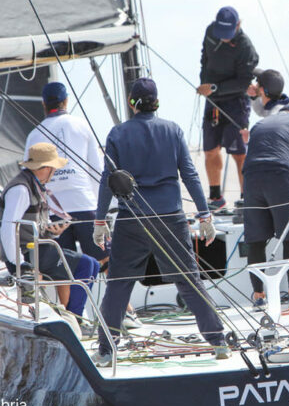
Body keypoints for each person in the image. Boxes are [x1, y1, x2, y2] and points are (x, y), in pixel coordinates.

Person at [91, 77, 229, 367]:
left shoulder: (117, 134)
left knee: (119, 285)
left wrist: (100, 220)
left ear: (132, 103)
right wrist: (204, 214)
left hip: (132, 219)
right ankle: (218, 342)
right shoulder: (173, 130)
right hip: (171, 219)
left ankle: (106, 350)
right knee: (189, 280)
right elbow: (189, 174)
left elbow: (107, 180)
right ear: (157, 102)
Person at [24, 82, 141, 329]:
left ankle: (73, 319)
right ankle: (126, 312)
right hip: (84, 203)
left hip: (53, 209)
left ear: (44, 104)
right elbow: (97, 169)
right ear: (66, 101)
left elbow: (30, 176)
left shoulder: (33, 134)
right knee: (106, 258)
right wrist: (103, 208)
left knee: (63, 265)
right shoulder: (80, 124)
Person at [242, 69, 289, 306]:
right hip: (280, 175)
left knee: (255, 240)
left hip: (251, 177)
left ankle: (259, 296)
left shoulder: (259, 124)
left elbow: (252, 153)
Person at [0, 143, 98, 317]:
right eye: (53, 167)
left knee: (93, 264)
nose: (55, 171)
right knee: (86, 265)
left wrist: (53, 232)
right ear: (45, 168)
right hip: (26, 254)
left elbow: (26, 224)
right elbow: (8, 227)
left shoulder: (33, 184)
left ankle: (72, 317)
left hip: (35, 248)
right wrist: (19, 265)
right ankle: (75, 318)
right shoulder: (21, 189)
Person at [197, 6, 259, 211]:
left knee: (239, 152)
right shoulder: (210, 31)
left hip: (236, 101)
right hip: (213, 101)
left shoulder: (246, 48)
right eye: (221, 33)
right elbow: (204, 59)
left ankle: (246, 198)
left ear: (238, 25)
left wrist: (214, 87)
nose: (224, 38)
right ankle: (216, 198)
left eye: (228, 33)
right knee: (210, 150)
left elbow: (243, 82)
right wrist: (204, 83)